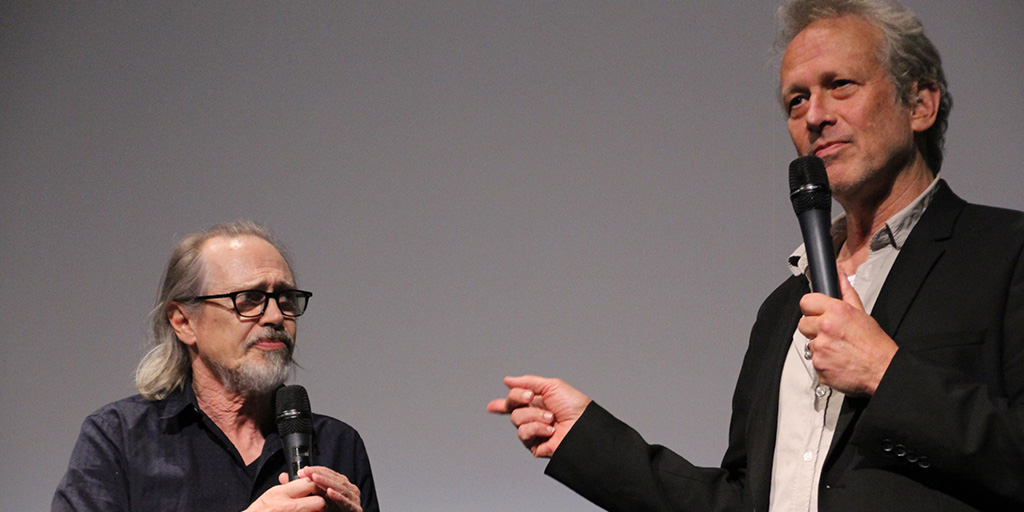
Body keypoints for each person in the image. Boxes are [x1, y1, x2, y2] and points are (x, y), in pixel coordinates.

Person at [488, 1, 1024, 511]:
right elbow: (744, 500)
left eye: (840, 86)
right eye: (796, 100)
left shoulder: (1006, 253)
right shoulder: (782, 310)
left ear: (920, 104)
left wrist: (886, 374)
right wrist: (588, 441)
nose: (814, 115)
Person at [53, 221, 379, 512]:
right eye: (248, 298)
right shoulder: (120, 439)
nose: (276, 316)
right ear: (183, 322)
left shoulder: (338, 444)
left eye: (285, 298)